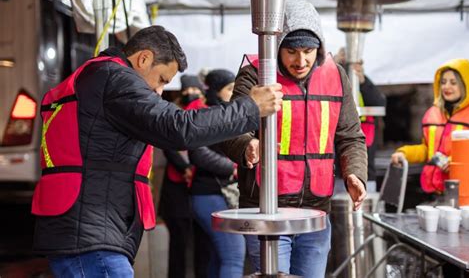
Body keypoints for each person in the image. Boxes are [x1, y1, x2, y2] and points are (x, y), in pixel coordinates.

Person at [30, 25, 283, 277]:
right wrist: (250, 108)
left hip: (83, 230)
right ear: (144, 58)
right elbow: (178, 128)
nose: (160, 92)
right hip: (90, 236)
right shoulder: (114, 79)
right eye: (162, 79)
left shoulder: (98, 77)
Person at [222, 1, 368, 278]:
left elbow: (351, 136)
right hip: (266, 212)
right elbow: (231, 128)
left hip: (316, 212)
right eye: (291, 51)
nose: (300, 61)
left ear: (320, 48)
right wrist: (247, 146)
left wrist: (355, 174)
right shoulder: (255, 74)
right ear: (277, 47)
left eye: (308, 51)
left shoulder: (336, 76)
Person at [188, 69, 246, 278]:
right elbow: (198, 154)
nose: (234, 93)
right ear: (215, 91)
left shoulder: (231, 116)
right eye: (229, 89)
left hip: (219, 195)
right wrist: (233, 168)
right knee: (233, 255)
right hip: (209, 194)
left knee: (218, 256)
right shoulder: (204, 115)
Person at [391, 58, 469, 195]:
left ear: (466, 85)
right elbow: (427, 150)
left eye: (453, 83)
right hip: (435, 192)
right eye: (443, 82)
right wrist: (404, 153)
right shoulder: (433, 113)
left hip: (467, 193)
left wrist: (456, 162)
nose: (446, 87)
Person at [158, 74, 209, 278]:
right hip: (177, 188)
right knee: (178, 244)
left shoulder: (205, 112)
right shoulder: (172, 113)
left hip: (199, 185)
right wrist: (185, 168)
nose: (190, 94)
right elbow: (168, 147)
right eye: (186, 90)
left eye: (194, 90)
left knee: (202, 244)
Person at [334, 47, 386, 191]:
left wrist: (362, 80)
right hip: (335, 172)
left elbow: (379, 103)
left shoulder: (362, 84)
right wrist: (331, 65)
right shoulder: (330, 83)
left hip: (365, 173)